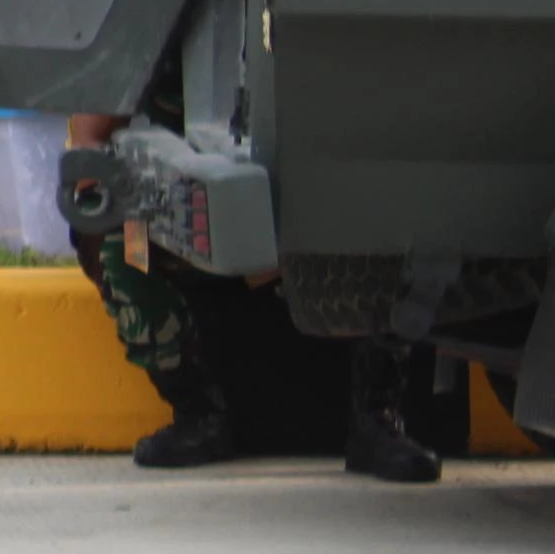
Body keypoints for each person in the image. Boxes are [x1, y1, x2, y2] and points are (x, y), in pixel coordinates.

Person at [68, 104, 441, 483]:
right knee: (115, 245)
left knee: (396, 221)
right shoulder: (148, 49)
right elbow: (87, 151)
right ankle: (198, 416)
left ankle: (377, 421)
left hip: (316, 195)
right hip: (186, 209)